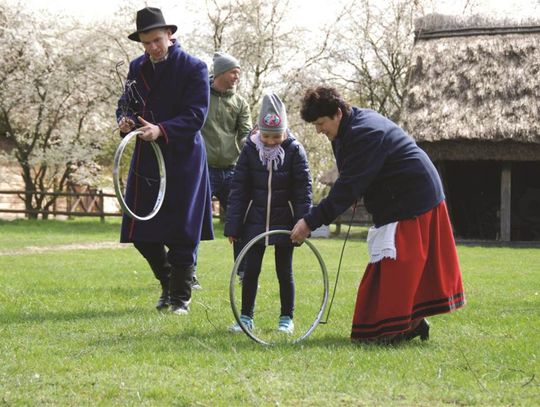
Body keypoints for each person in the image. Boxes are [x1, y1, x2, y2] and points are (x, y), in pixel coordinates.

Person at [290, 86, 465, 343]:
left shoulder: (365, 132)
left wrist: (309, 222)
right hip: (400, 198)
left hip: (414, 197)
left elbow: (347, 187)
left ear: (337, 113)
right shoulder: (346, 131)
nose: (318, 130)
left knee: (398, 269)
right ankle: (410, 324)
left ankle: (397, 328)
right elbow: (353, 177)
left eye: (321, 123)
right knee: (390, 267)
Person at [116, 7, 213, 315]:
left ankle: (180, 299)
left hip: (183, 158)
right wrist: (125, 120)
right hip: (147, 159)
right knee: (141, 232)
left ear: (170, 35)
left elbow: (196, 115)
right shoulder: (137, 67)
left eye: (157, 40)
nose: (152, 48)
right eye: (146, 43)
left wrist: (162, 129)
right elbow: (126, 103)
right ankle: (168, 282)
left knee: (181, 231)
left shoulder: (194, 68)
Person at [224, 93, 312, 333]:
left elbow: (303, 190)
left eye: (277, 136)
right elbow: (239, 190)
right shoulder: (250, 150)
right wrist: (233, 225)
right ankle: (246, 318)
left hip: (286, 220)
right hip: (255, 220)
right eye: (266, 136)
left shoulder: (294, 150)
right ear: (258, 131)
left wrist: (303, 222)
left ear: (285, 131)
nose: (271, 142)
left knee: (284, 270)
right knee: (250, 270)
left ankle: (286, 318)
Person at [197, 51, 252, 286]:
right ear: (220, 73)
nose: (237, 77)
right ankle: (188, 274)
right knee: (195, 221)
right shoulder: (200, 96)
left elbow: (246, 134)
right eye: (233, 72)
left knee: (240, 221)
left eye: (238, 72)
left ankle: (243, 273)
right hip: (204, 170)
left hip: (232, 172)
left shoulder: (240, 103)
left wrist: (253, 143)